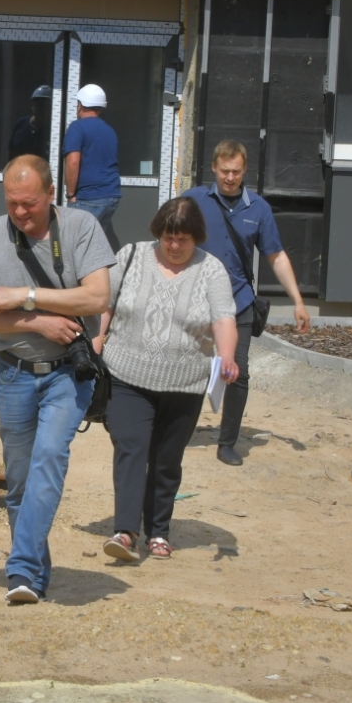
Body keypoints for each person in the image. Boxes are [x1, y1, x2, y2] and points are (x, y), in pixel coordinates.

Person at [0, 155, 114, 604]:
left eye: (30, 203)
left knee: (49, 456)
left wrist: (25, 296)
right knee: (20, 482)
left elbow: (98, 296)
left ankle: (21, 569)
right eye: (12, 203)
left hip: (69, 372)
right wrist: (37, 321)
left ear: (51, 193)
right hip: (13, 372)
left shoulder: (81, 228)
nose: (20, 212)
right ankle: (34, 576)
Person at [94, 198, 239, 562]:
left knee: (166, 459)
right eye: (168, 237)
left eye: (183, 239)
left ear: (196, 237)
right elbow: (103, 304)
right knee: (131, 447)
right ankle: (126, 531)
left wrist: (227, 356)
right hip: (126, 374)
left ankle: (159, 530)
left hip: (184, 383)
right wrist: (94, 344)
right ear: (157, 232)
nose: (174, 246)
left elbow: (224, 318)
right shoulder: (131, 256)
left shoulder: (211, 269)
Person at [186, 140, 312, 467]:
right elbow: (167, 239)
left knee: (237, 372)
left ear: (245, 171)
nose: (230, 178)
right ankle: (177, 431)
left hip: (238, 301)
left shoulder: (258, 209)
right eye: (225, 171)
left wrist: (298, 301)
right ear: (214, 168)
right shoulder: (193, 201)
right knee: (186, 367)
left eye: (237, 172)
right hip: (195, 300)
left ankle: (227, 442)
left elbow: (276, 256)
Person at [62, 83, 122, 250]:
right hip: (111, 195)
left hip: (89, 197)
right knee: (94, 246)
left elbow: (73, 161)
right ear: (100, 109)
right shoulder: (109, 130)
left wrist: (71, 195)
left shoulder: (77, 127)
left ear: (80, 105)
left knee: (76, 246)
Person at [7, 85, 53, 162]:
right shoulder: (20, 125)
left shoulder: (53, 131)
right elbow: (11, 154)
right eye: (36, 102)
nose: (39, 107)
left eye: (43, 104)